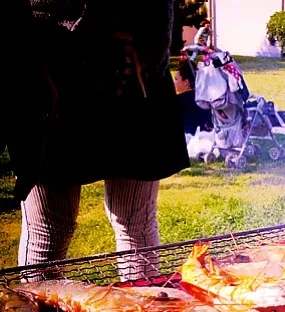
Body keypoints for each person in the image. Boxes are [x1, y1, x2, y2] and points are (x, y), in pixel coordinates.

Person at [4, 0, 190, 281]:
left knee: (136, 224)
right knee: (49, 230)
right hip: (50, 65)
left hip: (137, 61)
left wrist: (153, 47)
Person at [175, 59, 212, 136]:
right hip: (208, 140)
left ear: (186, 82)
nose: (174, 82)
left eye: (176, 79)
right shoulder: (207, 98)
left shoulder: (178, 101)